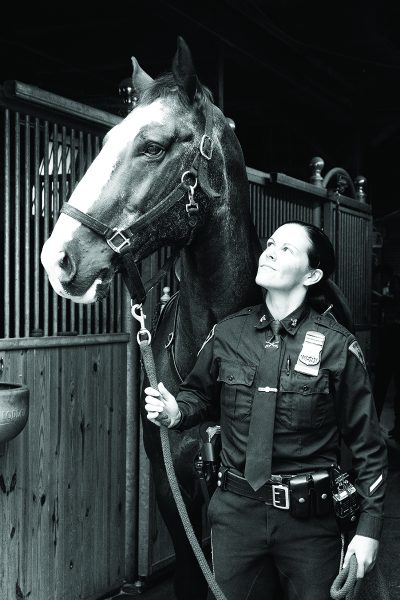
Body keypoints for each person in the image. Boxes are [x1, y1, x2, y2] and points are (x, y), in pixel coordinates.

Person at [145, 221, 387, 600]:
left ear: (313, 274)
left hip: (309, 524)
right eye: (270, 243)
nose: (270, 251)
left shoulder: (338, 347)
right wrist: (177, 412)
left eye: (287, 249)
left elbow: (369, 447)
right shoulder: (226, 334)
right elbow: (200, 395)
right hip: (236, 516)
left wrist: (368, 529)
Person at [372, 262, 400, 441]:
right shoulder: (391, 288)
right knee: (383, 387)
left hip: (393, 341)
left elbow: (392, 300)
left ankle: (377, 428)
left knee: (382, 387)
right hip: (389, 341)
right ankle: (393, 428)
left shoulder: (395, 285)